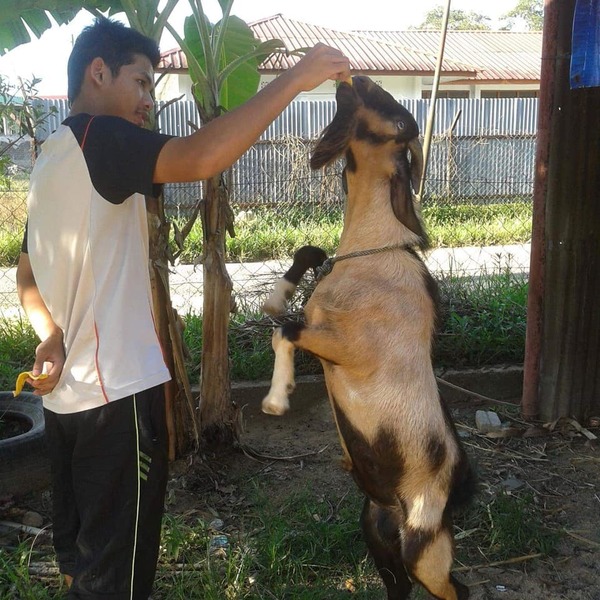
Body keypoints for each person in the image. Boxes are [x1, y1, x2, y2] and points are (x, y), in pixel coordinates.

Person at [16, 16, 350, 600]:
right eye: (142, 82)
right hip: (117, 397)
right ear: (99, 72)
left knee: (83, 561)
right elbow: (199, 158)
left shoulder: (51, 157)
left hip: (68, 402)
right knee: (115, 579)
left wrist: (52, 333)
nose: (149, 100)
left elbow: (27, 272)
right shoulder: (103, 137)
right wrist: (296, 77)